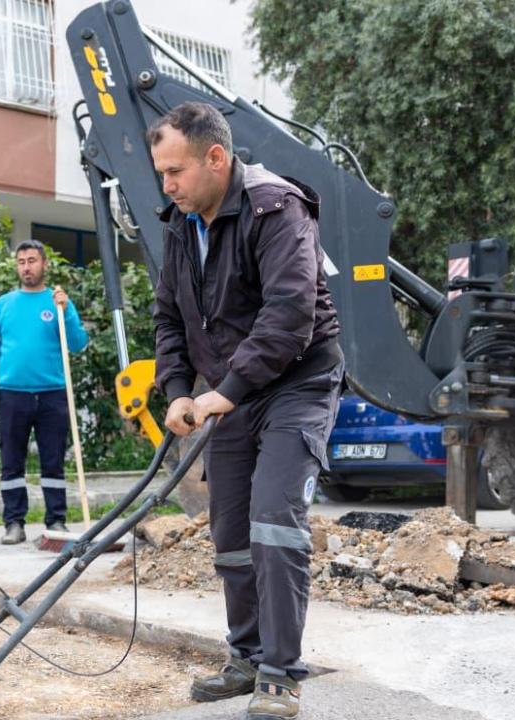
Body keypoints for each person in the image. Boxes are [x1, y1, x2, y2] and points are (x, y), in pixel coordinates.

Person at [149, 101, 343, 720]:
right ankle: (247, 655)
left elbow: (289, 318)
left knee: (274, 521)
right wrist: (179, 388)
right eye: (160, 173)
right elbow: (169, 318)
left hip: (297, 383)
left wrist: (222, 392)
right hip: (229, 389)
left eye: (175, 171)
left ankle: (281, 672)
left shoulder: (276, 207)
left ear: (216, 157)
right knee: (230, 531)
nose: (167, 185)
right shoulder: (181, 224)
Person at [0, 240, 89, 545]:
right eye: (21, 262)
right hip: (13, 394)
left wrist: (65, 312)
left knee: (53, 460)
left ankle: (56, 521)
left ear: (44, 265)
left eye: (32, 261)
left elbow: (78, 343)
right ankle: (14, 523)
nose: (26, 267)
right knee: (12, 460)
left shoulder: (58, 302)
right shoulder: (4, 305)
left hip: (53, 393)